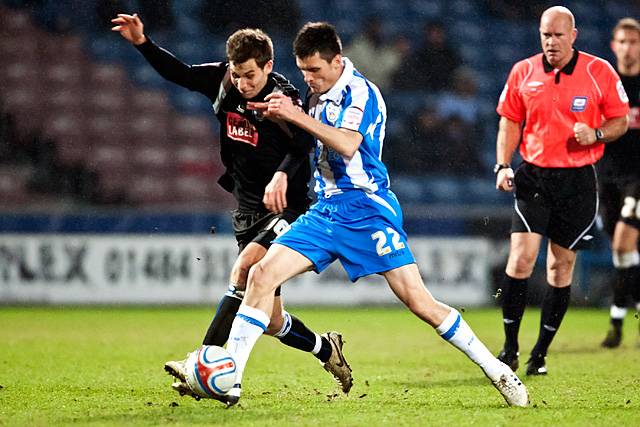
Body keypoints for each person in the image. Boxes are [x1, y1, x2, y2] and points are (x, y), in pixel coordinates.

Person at [209, 21, 529, 408]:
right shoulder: (314, 97)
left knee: (420, 302)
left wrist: (294, 116)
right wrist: (279, 121)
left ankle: (497, 370)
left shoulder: (361, 92)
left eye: (315, 70)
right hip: (325, 211)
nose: (308, 78)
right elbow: (307, 140)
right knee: (260, 274)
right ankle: (230, 380)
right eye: (303, 70)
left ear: (337, 61)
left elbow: (346, 143)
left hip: (366, 209)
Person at [110, 14, 353, 398]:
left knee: (243, 271)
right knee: (272, 322)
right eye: (238, 75)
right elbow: (182, 74)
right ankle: (326, 348)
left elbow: (303, 144)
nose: (243, 84)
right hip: (246, 209)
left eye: (251, 76)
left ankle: (203, 360)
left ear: (268, 67)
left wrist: (283, 176)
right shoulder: (224, 82)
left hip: (286, 208)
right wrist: (143, 43)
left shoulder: (284, 98)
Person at [494, 6, 629, 375]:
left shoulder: (598, 71)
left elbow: (619, 119)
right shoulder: (524, 71)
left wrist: (597, 133)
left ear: (574, 35)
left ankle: (540, 353)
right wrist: (503, 164)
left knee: (560, 266)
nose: (551, 42)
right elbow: (509, 120)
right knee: (521, 258)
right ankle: (509, 348)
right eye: (545, 35)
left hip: (578, 180)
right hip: (534, 175)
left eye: (557, 35)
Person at [598, 18, 640, 348]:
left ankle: (616, 320)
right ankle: (630, 309)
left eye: (633, 42)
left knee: (623, 245)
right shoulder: (603, 83)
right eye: (622, 42)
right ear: (614, 45)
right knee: (623, 252)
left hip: (637, 178)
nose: (627, 48)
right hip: (606, 177)